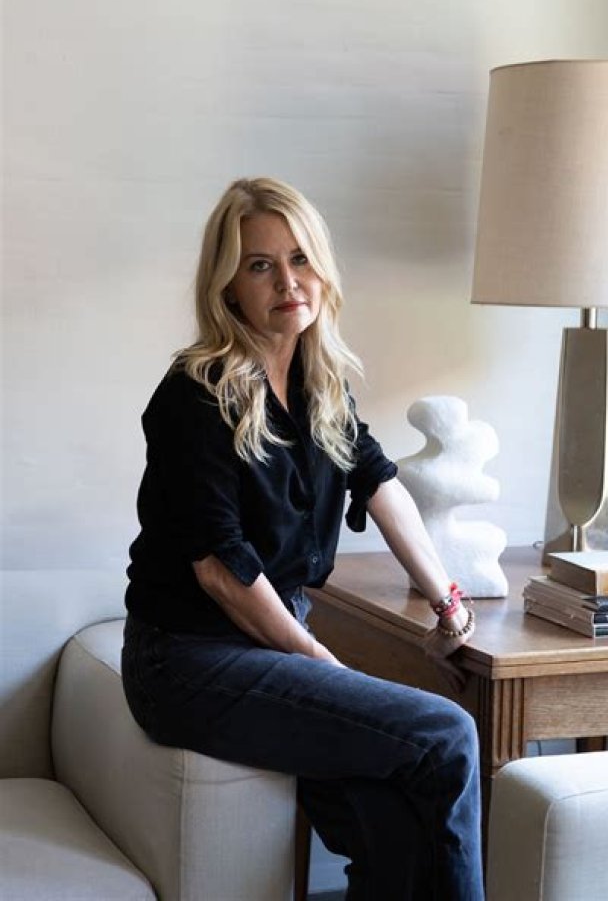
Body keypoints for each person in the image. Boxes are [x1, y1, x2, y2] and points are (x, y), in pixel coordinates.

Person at [121, 176, 484, 901]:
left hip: (269, 641)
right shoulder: (195, 393)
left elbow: (379, 483)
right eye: (260, 265)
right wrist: (322, 663)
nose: (287, 282)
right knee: (446, 735)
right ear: (228, 287)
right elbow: (220, 569)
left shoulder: (321, 385)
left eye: (300, 259)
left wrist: (446, 601)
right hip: (188, 661)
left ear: (322, 269)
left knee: (391, 818)